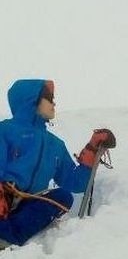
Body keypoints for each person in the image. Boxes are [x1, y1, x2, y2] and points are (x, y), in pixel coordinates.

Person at [0, 79, 116, 248]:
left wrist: (92, 150)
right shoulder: (6, 130)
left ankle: (6, 237)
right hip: (4, 196)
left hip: (28, 204)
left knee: (62, 197)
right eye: (49, 98)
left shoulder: (55, 145)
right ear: (32, 100)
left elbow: (74, 182)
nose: (54, 103)